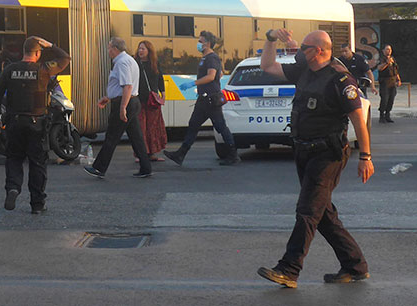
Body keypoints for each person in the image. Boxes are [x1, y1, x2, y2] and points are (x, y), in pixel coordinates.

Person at [256, 29, 373, 289]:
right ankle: (355, 265)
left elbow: (359, 120)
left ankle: (289, 269)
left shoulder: (341, 80)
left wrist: (366, 156)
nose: (299, 51)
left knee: (308, 211)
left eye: (304, 47)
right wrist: (270, 38)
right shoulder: (304, 71)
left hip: (328, 154)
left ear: (319, 50)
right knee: (324, 215)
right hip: (303, 151)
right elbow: (267, 66)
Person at [0, 36, 70, 214]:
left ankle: (13, 188)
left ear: (23, 52)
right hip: (37, 123)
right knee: (37, 162)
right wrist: (50, 44)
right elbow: (65, 58)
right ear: (37, 53)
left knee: (14, 158)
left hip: (14, 122)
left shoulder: (10, 69)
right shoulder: (43, 69)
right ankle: (37, 204)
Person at [164, 31, 239, 165]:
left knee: (220, 126)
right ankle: (180, 154)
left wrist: (193, 83)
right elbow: (219, 74)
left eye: (201, 41)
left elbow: (211, 76)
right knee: (193, 125)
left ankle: (233, 155)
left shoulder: (212, 58)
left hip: (210, 99)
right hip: (203, 99)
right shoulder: (206, 58)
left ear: (208, 43)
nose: (198, 43)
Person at [83, 37, 153, 179]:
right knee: (136, 137)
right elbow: (122, 86)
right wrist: (108, 97)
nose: (108, 51)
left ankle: (99, 168)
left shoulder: (122, 63)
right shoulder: (129, 60)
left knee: (112, 136)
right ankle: (146, 167)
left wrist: (122, 108)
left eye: (109, 48)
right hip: (132, 101)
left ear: (115, 49)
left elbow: (127, 86)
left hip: (125, 102)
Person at [136, 41, 167, 162]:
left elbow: (160, 79)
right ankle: (141, 154)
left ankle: (152, 153)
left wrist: (163, 95)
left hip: (152, 101)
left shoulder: (154, 64)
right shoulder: (135, 63)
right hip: (139, 99)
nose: (140, 51)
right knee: (141, 128)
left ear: (149, 50)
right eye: (139, 49)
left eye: (143, 49)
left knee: (153, 127)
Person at [377, 44, 401, 123]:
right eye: (387, 49)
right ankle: (381, 115)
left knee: (391, 99)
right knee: (384, 99)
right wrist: (387, 63)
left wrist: (398, 80)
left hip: (392, 81)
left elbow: (395, 70)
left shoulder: (393, 59)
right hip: (385, 82)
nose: (389, 51)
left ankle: (387, 114)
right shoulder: (381, 59)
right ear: (383, 51)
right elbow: (379, 68)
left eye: (390, 49)